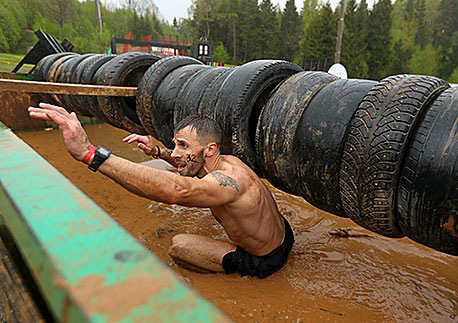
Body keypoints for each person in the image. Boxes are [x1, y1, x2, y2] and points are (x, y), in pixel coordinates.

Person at [28, 102, 294, 278]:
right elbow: (192, 166)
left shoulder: (228, 184)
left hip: (265, 261)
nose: (176, 152)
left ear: (209, 149)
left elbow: (176, 190)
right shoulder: (228, 162)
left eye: (183, 146)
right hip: (285, 238)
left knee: (179, 246)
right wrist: (157, 152)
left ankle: (239, 269)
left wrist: (90, 154)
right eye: (174, 145)